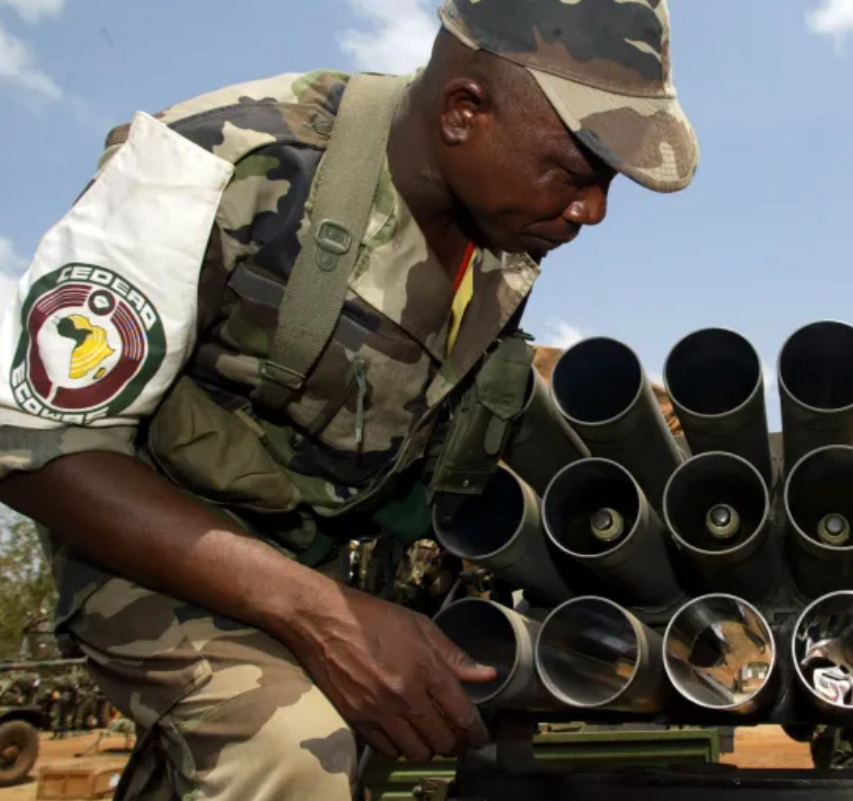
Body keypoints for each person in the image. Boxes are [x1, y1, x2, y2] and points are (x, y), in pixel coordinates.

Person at [0, 0, 698, 798]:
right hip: (154, 552)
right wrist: (323, 617)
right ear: (464, 112)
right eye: (574, 171)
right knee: (299, 751)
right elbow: (35, 446)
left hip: (328, 568)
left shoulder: (498, 238)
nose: (592, 210)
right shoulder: (212, 161)